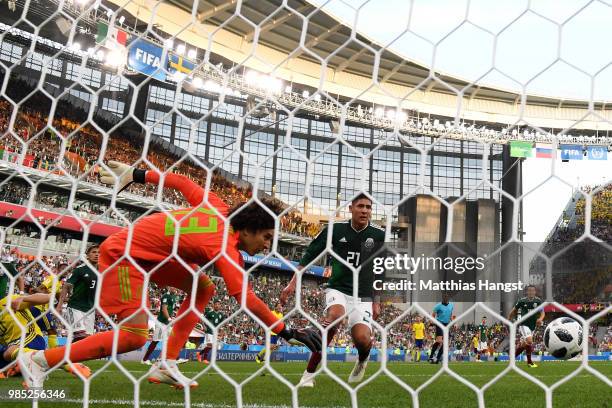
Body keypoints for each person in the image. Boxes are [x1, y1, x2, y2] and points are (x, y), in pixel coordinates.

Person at [20, 162, 321, 389]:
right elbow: (246, 299)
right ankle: (40, 360)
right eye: (266, 237)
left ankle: (167, 362)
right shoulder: (224, 246)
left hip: (152, 257)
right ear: (248, 229)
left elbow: (180, 181)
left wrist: (137, 175)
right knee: (133, 337)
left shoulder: (216, 206)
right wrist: (288, 332)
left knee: (204, 289)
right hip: (123, 256)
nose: (267, 245)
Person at [281, 194, 385, 386]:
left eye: (368, 207)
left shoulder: (379, 235)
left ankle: (362, 360)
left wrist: (377, 301)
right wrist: (292, 283)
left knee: (362, 340)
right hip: (338, 289)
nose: (364, 210)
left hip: (363, 296)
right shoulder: (335, 230)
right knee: (334, 318)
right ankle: (308, 375)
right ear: (351, 208)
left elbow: (381, 270)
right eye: (360, 206)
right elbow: (310, 254)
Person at [56, 246, 99, 343]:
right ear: (87, 255)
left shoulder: (102, 271)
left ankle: (68, 355)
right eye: (94, 252)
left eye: (99, 252)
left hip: (90, 310)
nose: (97, 254)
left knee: (86, 341)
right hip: (75, 308)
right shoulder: (80, 270)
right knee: (80, 336)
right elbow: (66, 287)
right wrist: (59, 306)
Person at [141, 288, 181, 365]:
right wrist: (169, 319)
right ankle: (145, 359)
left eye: (175, 287)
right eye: (173, 286)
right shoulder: (166, 296)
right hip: (161, 322)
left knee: (171, 339)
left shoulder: (173, 296)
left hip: (166, 323)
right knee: (155, 341)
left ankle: (176, 358)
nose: (175, 288)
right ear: (169, 287)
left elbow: (169, 309)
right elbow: (164, 309)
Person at [508, 285, 544, 368]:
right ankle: (529, 362)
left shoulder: (538, 301)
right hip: (523, 324)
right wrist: (508, 320)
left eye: (532, 290)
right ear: (526, 292)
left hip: (532, 325)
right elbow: (513, 311)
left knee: (525, 344)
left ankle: (512, 357)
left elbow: (542, 313)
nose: (531, 292)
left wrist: (540, 319)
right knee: (530, 341)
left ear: (535, 292)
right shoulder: (522, 301)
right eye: (529, 291)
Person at [429, 293, 454, 364]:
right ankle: (431, 356)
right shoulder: (438, 306)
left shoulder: (451, 305)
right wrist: (431, 323)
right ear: (443, 299)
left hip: (447, 325)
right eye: (444, 298)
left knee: (445, 344)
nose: (445, 299)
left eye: (447, 298)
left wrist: (453, 321)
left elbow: (451, 314)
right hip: (439, 323)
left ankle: (437, 358)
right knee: (439, 341)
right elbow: (433, 315)